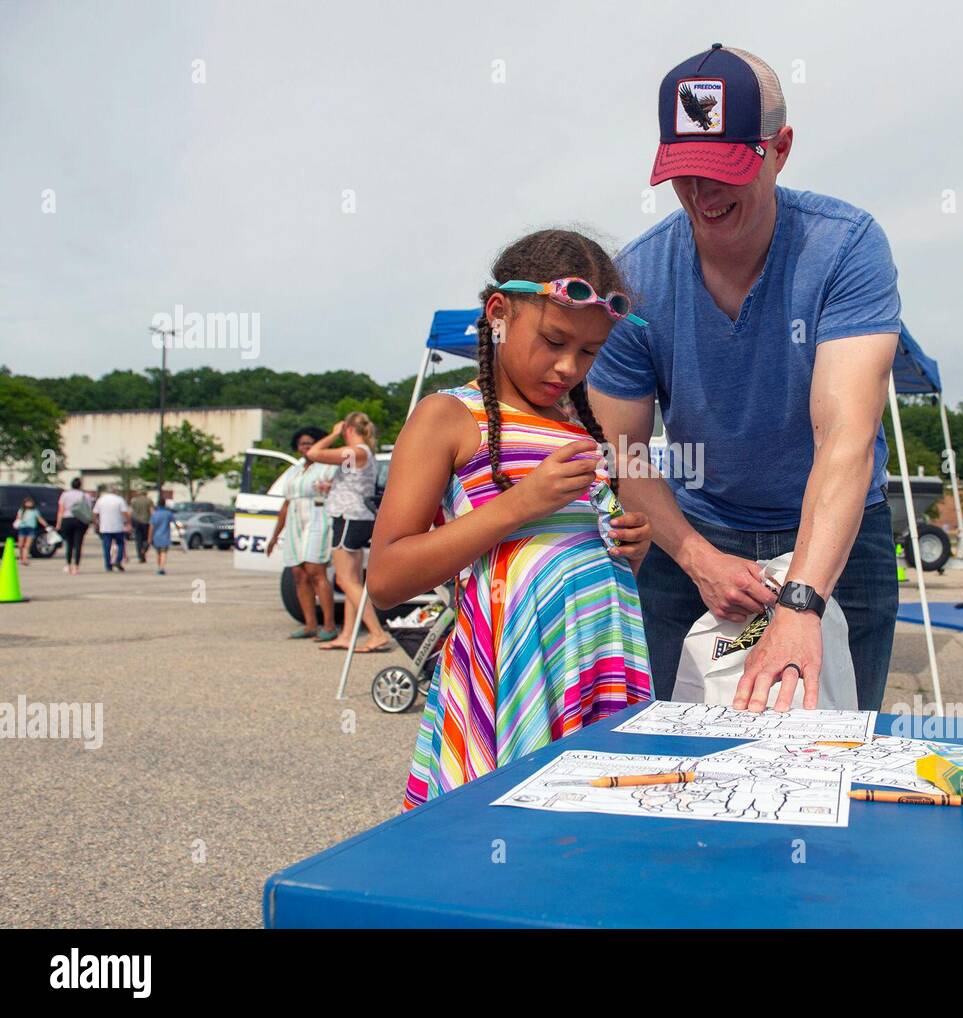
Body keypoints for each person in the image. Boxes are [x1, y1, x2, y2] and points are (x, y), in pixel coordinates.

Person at [588, 44, 902, 714]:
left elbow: (846, 436)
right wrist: (697, 558)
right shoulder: (636, 280)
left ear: (780, 148)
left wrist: (802, 599)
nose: (703, 195)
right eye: (685, 173)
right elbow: (624, 451)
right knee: (674, 754)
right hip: (695, 529)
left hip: (838, 533)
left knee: (833, 753)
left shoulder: (844, 247)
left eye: (725, 169)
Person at [368, 229, 654, 808]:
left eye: (591, 351)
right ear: (498, 313)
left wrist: (629, 547)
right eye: (553, 340)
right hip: (512, 678)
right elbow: (387, 577)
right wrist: (519, 506)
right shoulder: (448, 417)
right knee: (502, 841)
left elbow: (569, 551)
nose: (569, 366)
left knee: (587, 839)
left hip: (596, 661)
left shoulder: (584, 428)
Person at [306, 413, 389, 652]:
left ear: (348, 429)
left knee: (344, 579)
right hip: (357, 515)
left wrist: (332, 434)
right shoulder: (365, 454)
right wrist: (332, 487)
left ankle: (376, 633)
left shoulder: (356, 451)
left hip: (349, 517)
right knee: (353, 580)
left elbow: (313, 454)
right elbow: (355, 482)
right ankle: (347, 634)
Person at [266, 427, 339, 641]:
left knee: (316, 571)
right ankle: (309, 624)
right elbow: (286, 505)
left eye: (309, 443)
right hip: (294, 522)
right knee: (298, 573)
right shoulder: (294, 471)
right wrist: (274, 536)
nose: (305, 447)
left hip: (318, 518)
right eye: (302, 443)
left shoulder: (328, 467)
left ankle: (329, 624)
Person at [55, 478, 92, 575]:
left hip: (67, 519)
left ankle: (68, 565)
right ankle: (76, 566)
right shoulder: (85, 495)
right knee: (78, 544)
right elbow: (88, 509)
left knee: (69, 543)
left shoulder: (65, 495)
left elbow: (61, 510)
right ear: (80, 485)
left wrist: (59, 523)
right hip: (80, 520)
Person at [92, 484, 131, 573]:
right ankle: (118, 560)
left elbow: (95, 513)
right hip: (118, 526)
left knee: (106, 547)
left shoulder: (101, 500)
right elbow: (125, 513)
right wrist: (128, 522)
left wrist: (96, 523)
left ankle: (108, 565)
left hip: (105, 527)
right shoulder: (119, 500)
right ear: (115, 491)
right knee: (120, 544)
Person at [11, 496, 50, 566]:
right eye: (28, 502)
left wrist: (46, 525)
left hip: (31, 529)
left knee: (27, 545)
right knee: (20, 545)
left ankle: (25, 559)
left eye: (30, 502)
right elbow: (18, 518)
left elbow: (40, 519)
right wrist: (16, 523)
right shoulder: (21, 510)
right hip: (22, 528)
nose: (29, 504)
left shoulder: (35, 511)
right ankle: (22, 557)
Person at [147, 501, 177, 575]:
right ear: (164, 504)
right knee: (163, 553)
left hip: (156, 537)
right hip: (165, 536)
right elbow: (175, 523)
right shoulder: (168, 513)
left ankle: (159, 567)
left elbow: (151, 527)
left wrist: (149, 537)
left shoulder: (154, 514)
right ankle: (161, 568)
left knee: (158, 553)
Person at [129, 490, 154, 563]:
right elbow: (152, 511)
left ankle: (140, 556)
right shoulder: (149, 501)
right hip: (146, 522)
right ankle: (144, 549)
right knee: (147, 539)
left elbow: (131, 512)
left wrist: (130, 522)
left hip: (136, 522)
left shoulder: (134, 501)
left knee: (138, 540)